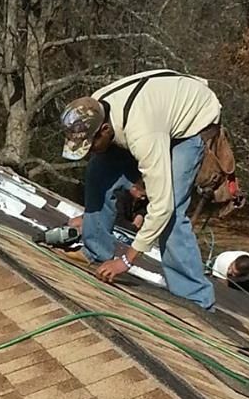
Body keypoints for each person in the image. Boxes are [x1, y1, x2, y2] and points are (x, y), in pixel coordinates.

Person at [60, 69, 222, 310]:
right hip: (158, 111)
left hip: (194, 121)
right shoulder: (95, 107)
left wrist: (126, 261)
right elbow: (102, 151)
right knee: (98, 171)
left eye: (90, 144)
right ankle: (95, 252)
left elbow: (162, 206)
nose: (90, 150)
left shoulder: (143, 135)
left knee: (173, 212)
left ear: (104, 130)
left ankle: (196, 299)